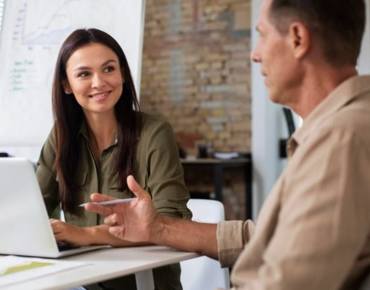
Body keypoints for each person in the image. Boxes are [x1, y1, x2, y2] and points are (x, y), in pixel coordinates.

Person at [85, 0, 370, 289]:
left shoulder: (341, 141)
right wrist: (157, 228)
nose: (255, 54)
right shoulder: (347, 128)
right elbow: (266, 240)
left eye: (262, 35)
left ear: (298, 39)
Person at [36, 28, 192, 290]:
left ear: (122, 74)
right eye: (84, 74)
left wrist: (86, 235)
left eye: (108, 69)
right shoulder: (61, 137)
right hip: (81, 283)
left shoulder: (155, 133)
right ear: (66, 84)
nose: (99, 82)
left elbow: (171, 223)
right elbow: (33, 208)